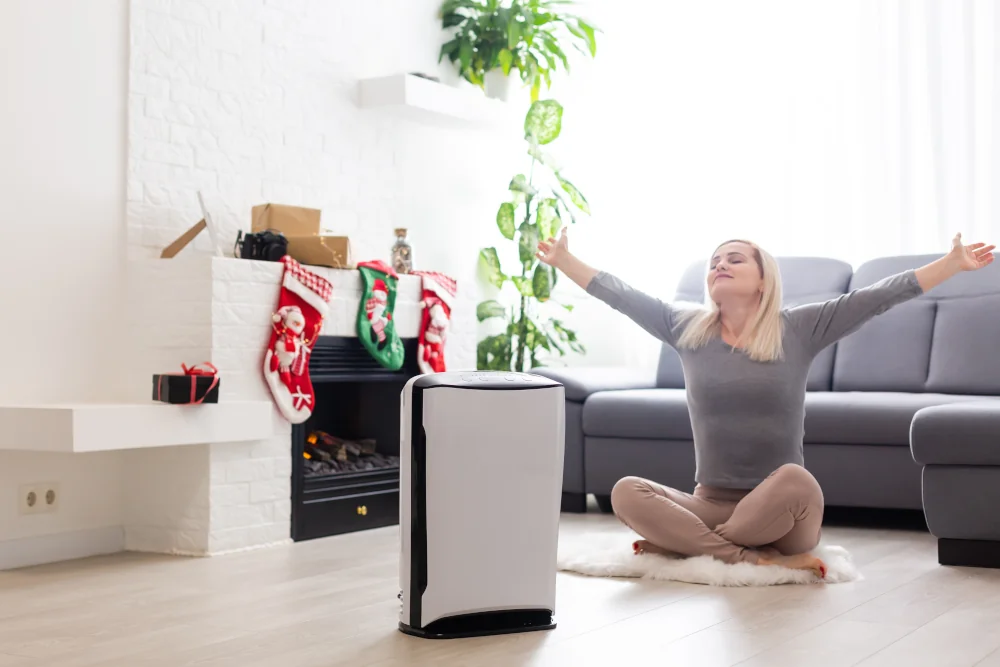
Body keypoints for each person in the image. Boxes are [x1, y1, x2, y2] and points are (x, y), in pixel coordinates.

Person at [536, 231, 994, 578]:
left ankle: (688, 548)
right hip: (711, 502)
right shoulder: (685, 328)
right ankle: (745, 559)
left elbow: (879, 297)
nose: (720, 265)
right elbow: (618, 294)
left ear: (762, 279)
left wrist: (951, 264)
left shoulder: (799, 327)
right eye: (714, 262)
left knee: (795, 478)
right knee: (625, 491)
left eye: (734, 259)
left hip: (783, 513)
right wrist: (563, 259)